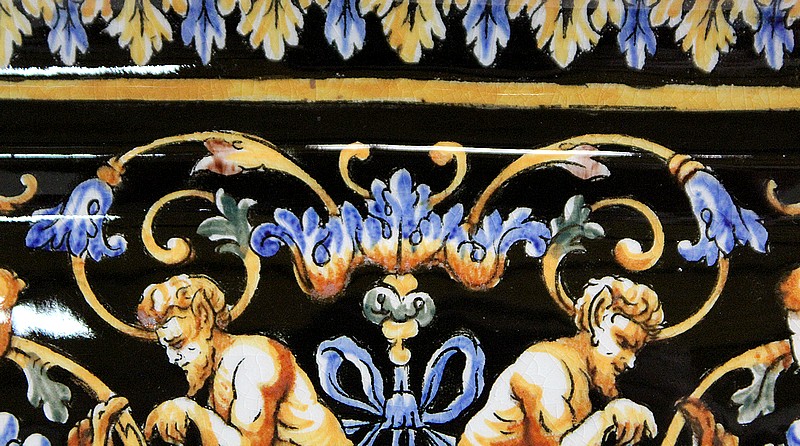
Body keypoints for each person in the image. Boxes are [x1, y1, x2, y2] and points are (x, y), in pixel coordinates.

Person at [137, 274, 352, 446]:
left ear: (203, 317)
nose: (172, 358)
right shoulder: (218, 374)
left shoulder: (253, 360)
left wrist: (190, 410)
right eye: (166, 347)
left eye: (177, 343)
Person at [459, 276, 663, 446]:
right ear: (596, 321)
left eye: (636, 351)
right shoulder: (548, 367)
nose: (630, 362)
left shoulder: (578, 380)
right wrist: (607, 419)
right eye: (623, 342)